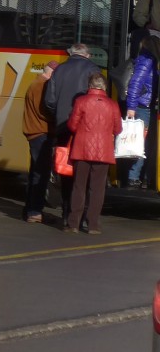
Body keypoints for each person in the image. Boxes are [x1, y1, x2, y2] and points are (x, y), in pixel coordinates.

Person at [43, 42, 101, 226]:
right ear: (87, 55)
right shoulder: (92, 69)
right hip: (85, 129)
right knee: (84, 173)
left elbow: (49, 100)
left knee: (66, 169)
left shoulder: (59, 70)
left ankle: (67, 212)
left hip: (63, 127)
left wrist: (60, 115)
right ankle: (82, 215)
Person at [64, 73, 122, 234]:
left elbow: (72, 126)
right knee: (97, 189)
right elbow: (118, 129)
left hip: (81, 149)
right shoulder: (113, 105)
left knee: (79, 186)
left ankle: (73, 223)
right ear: (104, 87)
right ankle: (93, 225)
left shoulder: (80, 101)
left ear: (90, 85)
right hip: (103, 151)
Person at [21, 59, 58, 223]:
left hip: (36, 133)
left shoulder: (35, 83)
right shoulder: (42, 86)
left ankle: (30, 209)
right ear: (51, 73)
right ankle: (34, 211)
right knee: (40, 174)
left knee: (36, 172)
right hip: (40, 133)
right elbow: (44, 111)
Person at [123, 33, 158, 188]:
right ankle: (133, 176)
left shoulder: (151, 60)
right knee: (139, 143)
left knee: (145, 143)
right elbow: (135, 83)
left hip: (148, 106)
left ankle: (141, 176)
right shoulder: (146, 60)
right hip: (143, 106)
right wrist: (131, 107)